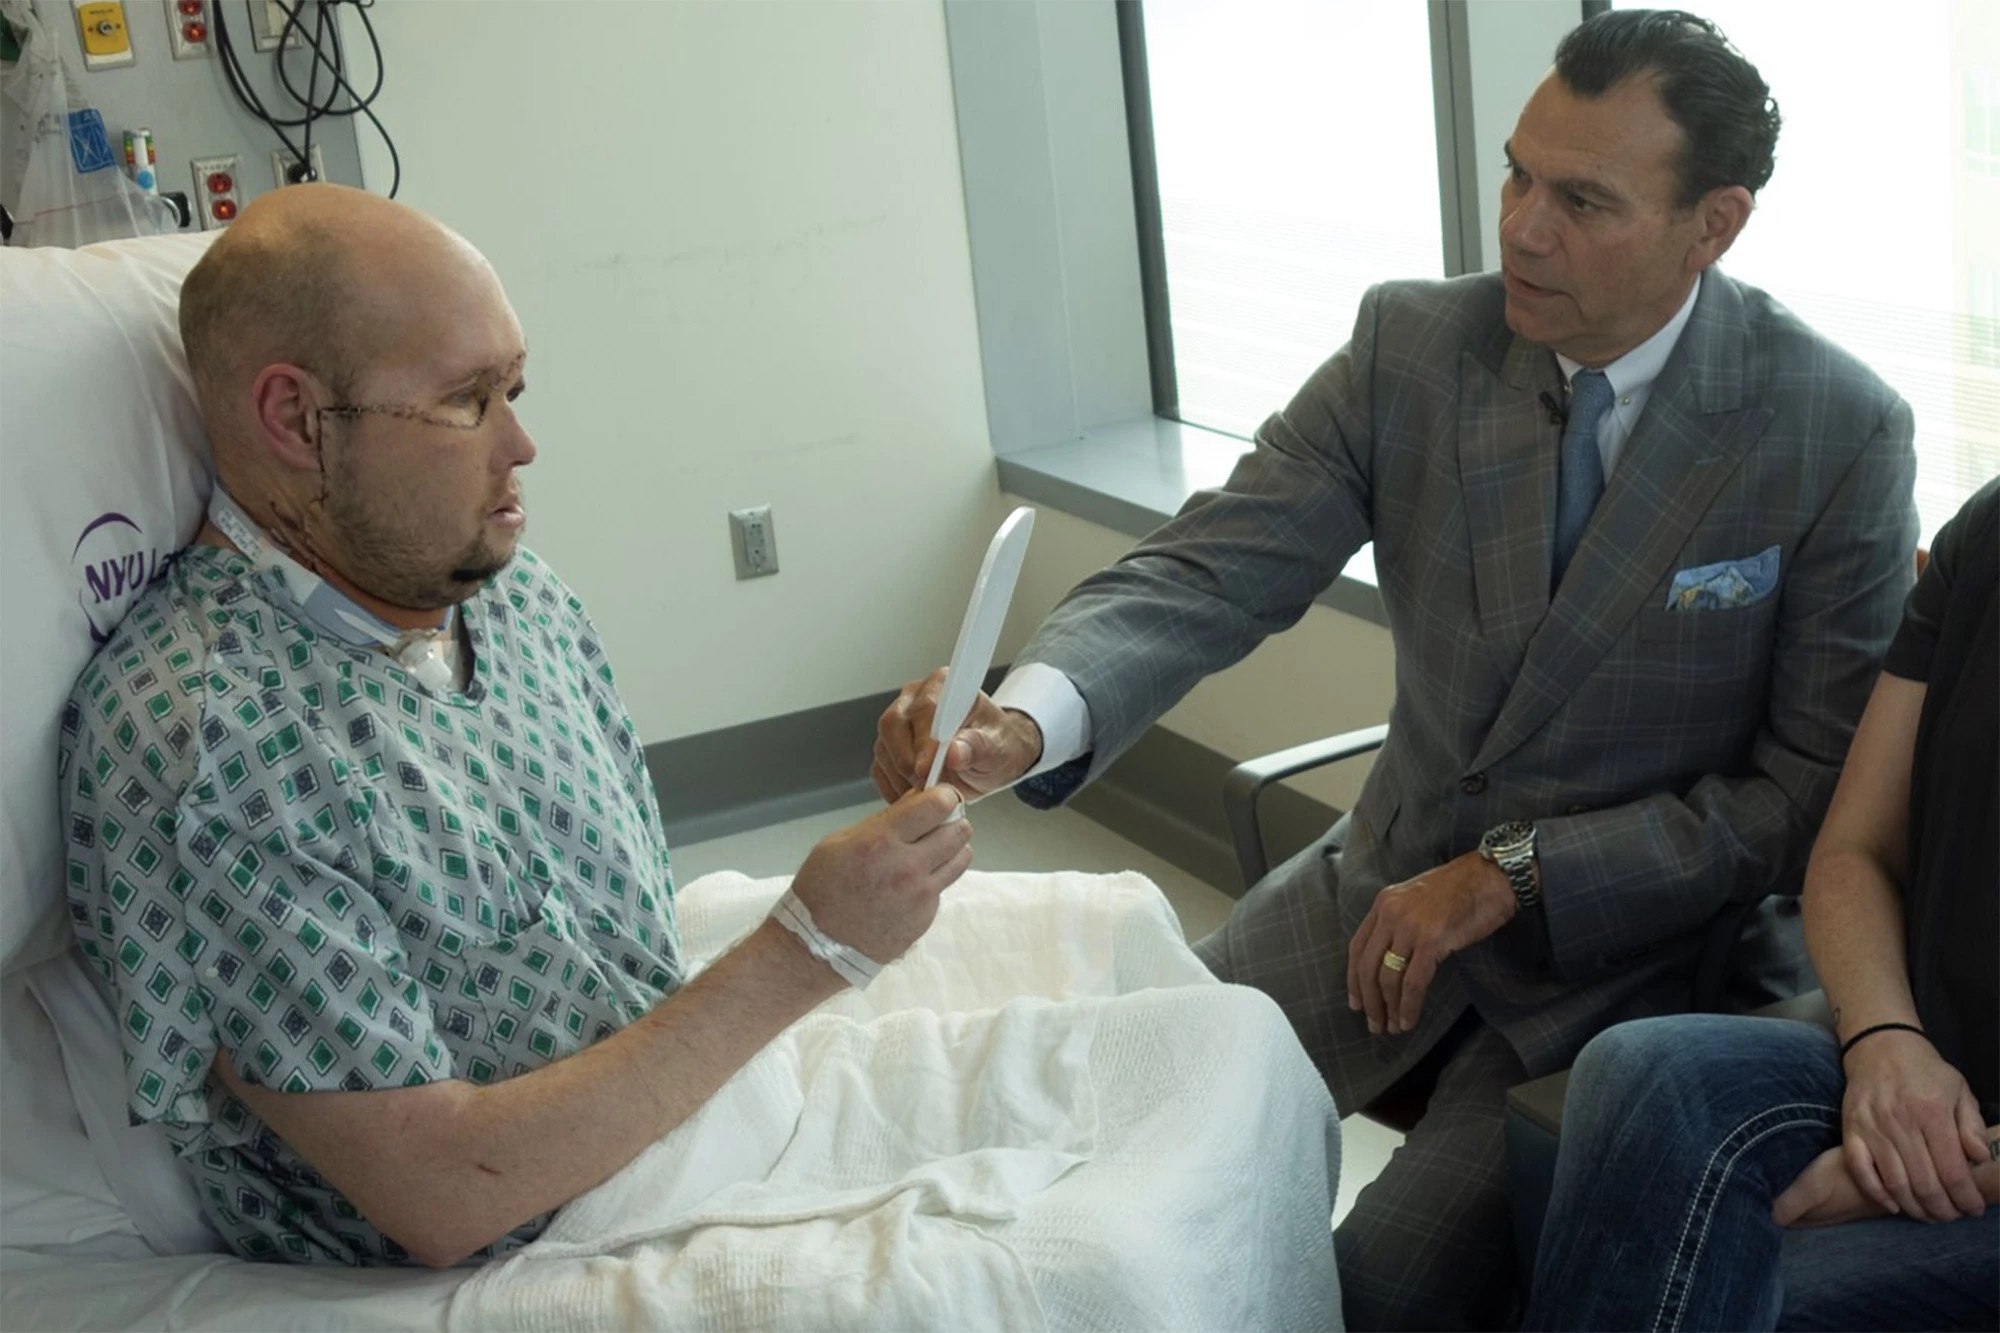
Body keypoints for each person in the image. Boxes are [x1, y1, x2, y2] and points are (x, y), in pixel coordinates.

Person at [875, 9, 1919, 1327]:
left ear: (1714, 225)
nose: (1524, 228)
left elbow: (1802, 800)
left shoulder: (1837, 428)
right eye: (1517, 174)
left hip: (1630, 966)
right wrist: (1020, 721)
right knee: (1078, 1129)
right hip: (1379, 886)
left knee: (1383, 1288)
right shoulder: (1413, 347)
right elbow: (1210, 569)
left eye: (1583, 200)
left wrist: (1516, 876)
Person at [58, 183, 975, 1267]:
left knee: (1202, 1026)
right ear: (294, 419)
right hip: (547, 1245)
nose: (523, 444)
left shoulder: (515, 599)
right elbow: (440, 1193)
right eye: (466, 401)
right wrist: (806, 947)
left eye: (516, 388)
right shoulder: (209, 746)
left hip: (693, 1116)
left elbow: (622, 950)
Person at [1524, 477, 1998, 1331]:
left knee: (1779, 1296)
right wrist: (1887, 1048)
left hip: (1972, 1146)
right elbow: (1854, 851)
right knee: (1643, 1070)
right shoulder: (1989, 534)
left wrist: (1939, 1163)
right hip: (1934, 1062)